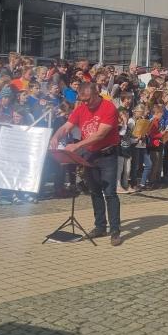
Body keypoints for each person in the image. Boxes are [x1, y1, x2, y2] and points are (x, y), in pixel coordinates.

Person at [48, 82, 123, 246]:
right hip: (90, 154)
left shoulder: (108, 107)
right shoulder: (81, 108)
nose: (85, 103)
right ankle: (100, 226)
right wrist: (56, 136)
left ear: (97, 93)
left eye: (88, 99)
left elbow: (100, 135)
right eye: (82, 100)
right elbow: (67, 126)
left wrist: (76, 145)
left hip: (107, 154)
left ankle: (115, 230)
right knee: (95, 191)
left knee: (109, 192)